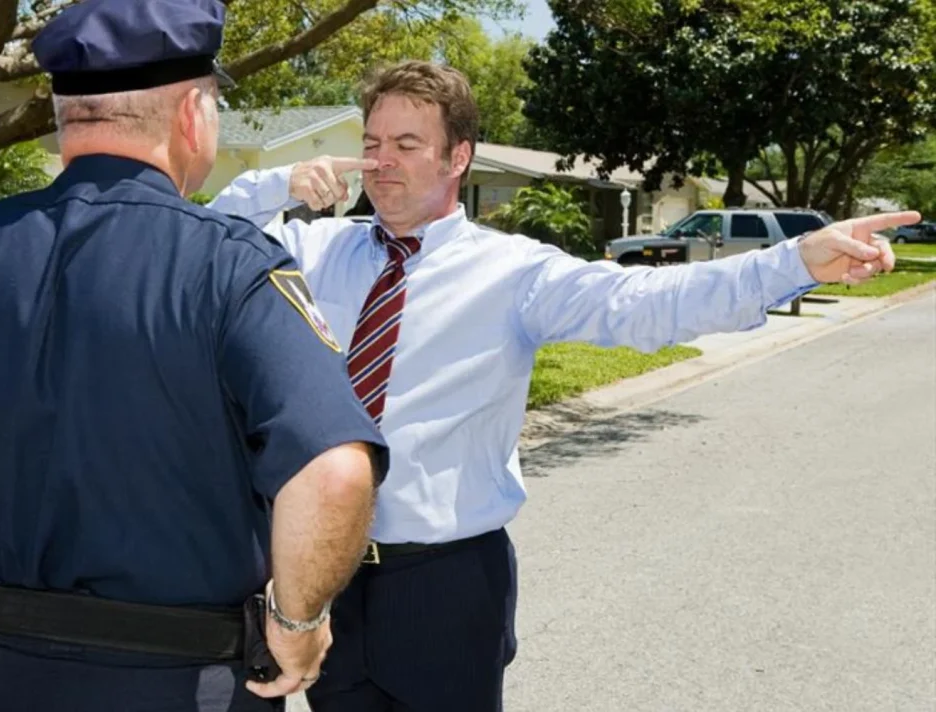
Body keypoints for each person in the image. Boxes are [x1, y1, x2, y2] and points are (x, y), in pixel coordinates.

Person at [207, 59, 920, 711]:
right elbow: (202, 247)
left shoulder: (514, 273)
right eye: (372, 143)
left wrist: (794, 261)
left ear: (459, 157)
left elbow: (648, 301)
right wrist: (278, 185)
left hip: (445, 584)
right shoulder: (309, 250)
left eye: (407, 144)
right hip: (315, 579)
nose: (380, 162)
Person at [0, 1, 390, 710]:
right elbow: (334, 473)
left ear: (66, 118)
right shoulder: (229, 266)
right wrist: (298, 622)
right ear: (192, 115)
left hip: (3, 682)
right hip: (187, 688)